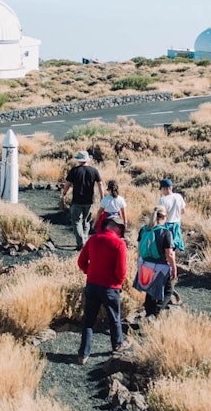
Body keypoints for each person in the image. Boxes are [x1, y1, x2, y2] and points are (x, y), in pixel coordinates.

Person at [76, 214, 130, 365]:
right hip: (110, 288)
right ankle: (117, 345)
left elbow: (81, 261)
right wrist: (118, 282)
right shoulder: (119, 244)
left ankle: (83, 354)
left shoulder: (93, 239)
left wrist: (89, 271)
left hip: (92, 285)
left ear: (106, 225)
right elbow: (121, 270)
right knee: (114, 318)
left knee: (89, 320)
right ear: (118, 228)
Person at [134, 206, 177, 316]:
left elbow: (139, 249)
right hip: (160, 266)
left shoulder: (144, 229)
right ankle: (155, 313)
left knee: (150, 291)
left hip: (145, 264)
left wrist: (139, 264)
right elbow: (169, 254)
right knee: (168, 291)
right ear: (164, 217)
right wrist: (174, 269)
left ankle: (149, 314)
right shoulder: (165, 233)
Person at [61, 150, 103, 250]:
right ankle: (84, 240)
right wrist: (102, 197)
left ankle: (81, 242)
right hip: (89, 201)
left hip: (77, 201)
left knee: (76, 221)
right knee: (86, 222)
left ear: (79, 160)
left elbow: (67, 184)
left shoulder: (74, 171)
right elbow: (100, 184)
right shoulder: (94, 171)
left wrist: (64, 193)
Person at [157, 178, 186, 253]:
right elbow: (183, 210)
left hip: (167, 223)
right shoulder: (178, 196)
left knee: (167, 244)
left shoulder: (162, 200)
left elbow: (161, 214)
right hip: (177, 222)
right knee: (176, 241)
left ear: (164, 189)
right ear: (171, 187)